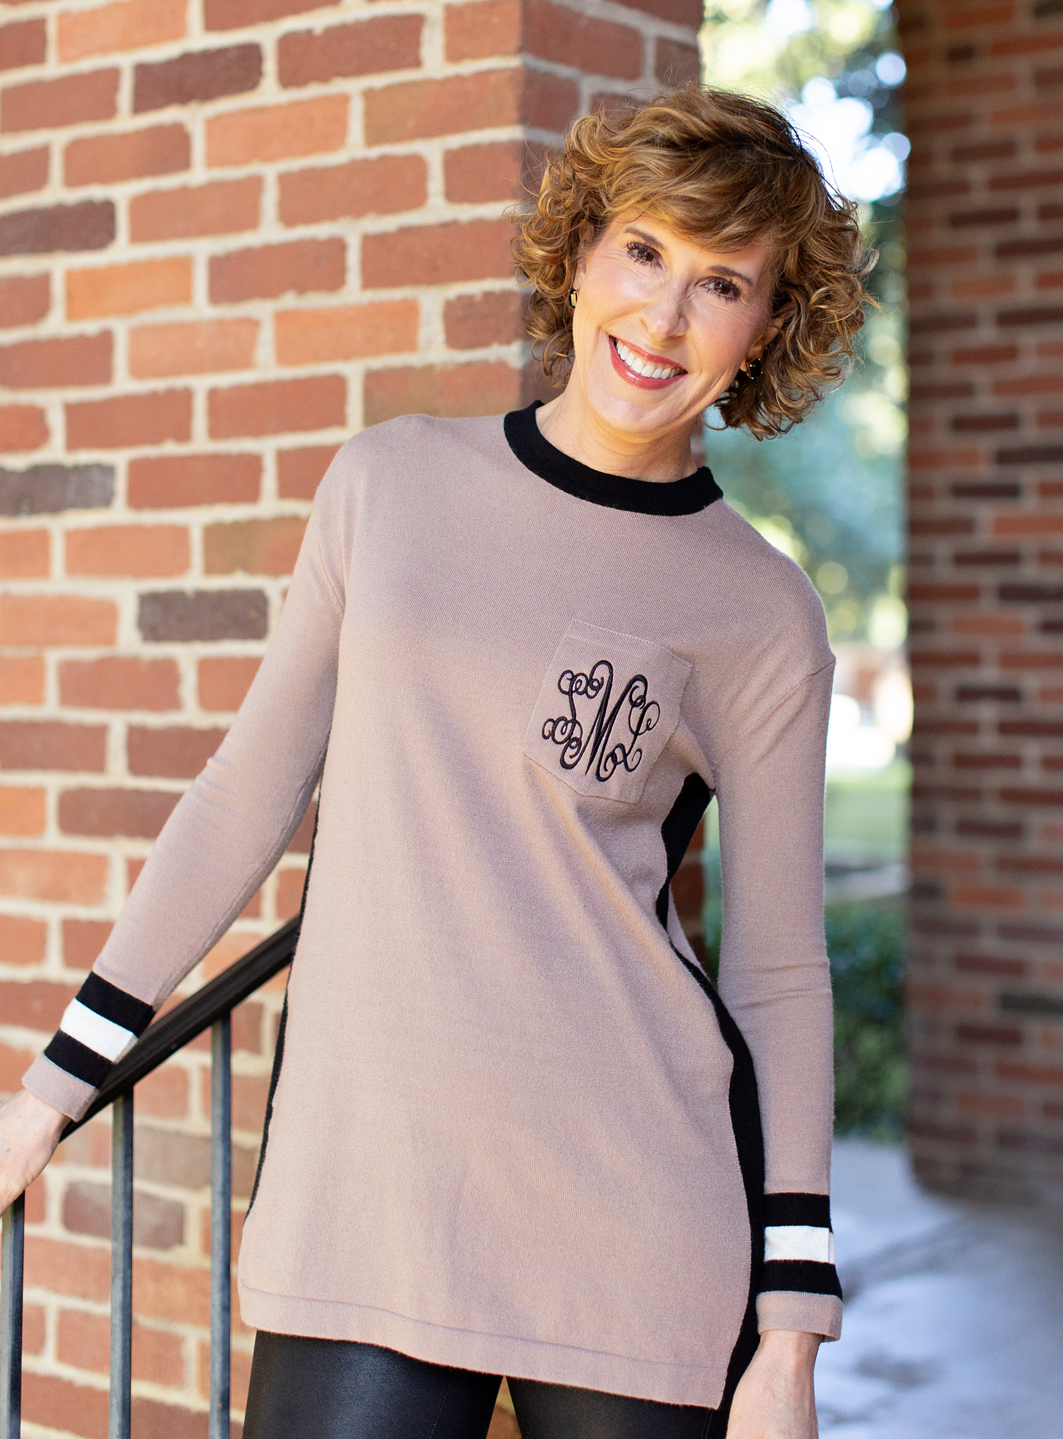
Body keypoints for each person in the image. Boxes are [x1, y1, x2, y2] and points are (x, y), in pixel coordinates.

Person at [0, 86, 872, 1439]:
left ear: (766, 331)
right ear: (581, 252)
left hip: (637, 1210)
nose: (664, 318)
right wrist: (51, 1088)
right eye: (644, 252)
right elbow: (247, 791)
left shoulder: (760, 614)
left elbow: (775, 969)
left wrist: (792, 1329)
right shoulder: (389, 485)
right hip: (369, 1196)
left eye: (724, 285)